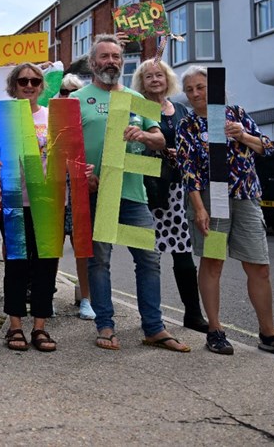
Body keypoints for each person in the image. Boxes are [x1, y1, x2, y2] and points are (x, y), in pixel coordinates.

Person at [176, 65, 274, 360]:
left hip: (246, 197)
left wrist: (244, 135)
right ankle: (215, 330)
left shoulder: (236, 114)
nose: (195, 94)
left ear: (214, 88)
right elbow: (188, 169)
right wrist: (199, 209)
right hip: (211, 201)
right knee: (213, 263)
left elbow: (267, 148)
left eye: (200, 87)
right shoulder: (188, 125)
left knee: (259, 266)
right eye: (189, 90)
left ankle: (269, 334)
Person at [73, 34, 189, 353]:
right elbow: (63, 146)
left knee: (149, 260)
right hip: (97, 193)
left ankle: (154, 328)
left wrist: (145, 135)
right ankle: (105, 325)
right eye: (104, 56)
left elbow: (160, 140)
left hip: (134, 193)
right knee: (100, 262)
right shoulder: (77, 99)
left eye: (116, 56)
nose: (111, 61)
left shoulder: (137, 98)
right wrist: (82, 173)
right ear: (92, 63)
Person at [0, 63, 82, 351]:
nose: (29, 85)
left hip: (49, 201)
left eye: (35, 81)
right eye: (23, 81)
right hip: (15, 200)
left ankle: (40, 327)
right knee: (16, 264)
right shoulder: (3, 115)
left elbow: (68, 155)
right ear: (13, 85)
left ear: (42, 86)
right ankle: (15, 326)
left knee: (46, 267)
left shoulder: (53, 116)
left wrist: (80, 169)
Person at [131, 60, 208, 333]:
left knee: (182, 251)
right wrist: (160, 149)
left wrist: (182, 152)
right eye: (149, 76)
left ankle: (193, 313)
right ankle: (151, 319)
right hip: (148, 187)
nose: (155, 80)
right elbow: (133, 144)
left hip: (178, 187)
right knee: (147, 258)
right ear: (141, 82)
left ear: (168, 79)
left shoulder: (181, 110)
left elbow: (192, 144)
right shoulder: (138, 107)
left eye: (159, 75)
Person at [56, 73, 94, 320]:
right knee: (53, 245)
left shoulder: (86, 121)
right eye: (64, 91)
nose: (69, 96)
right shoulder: (53, 118)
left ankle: (85, 298)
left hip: (80, 188)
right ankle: (47, 296)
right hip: (57, 188)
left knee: (82, 247)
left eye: (74, 92)